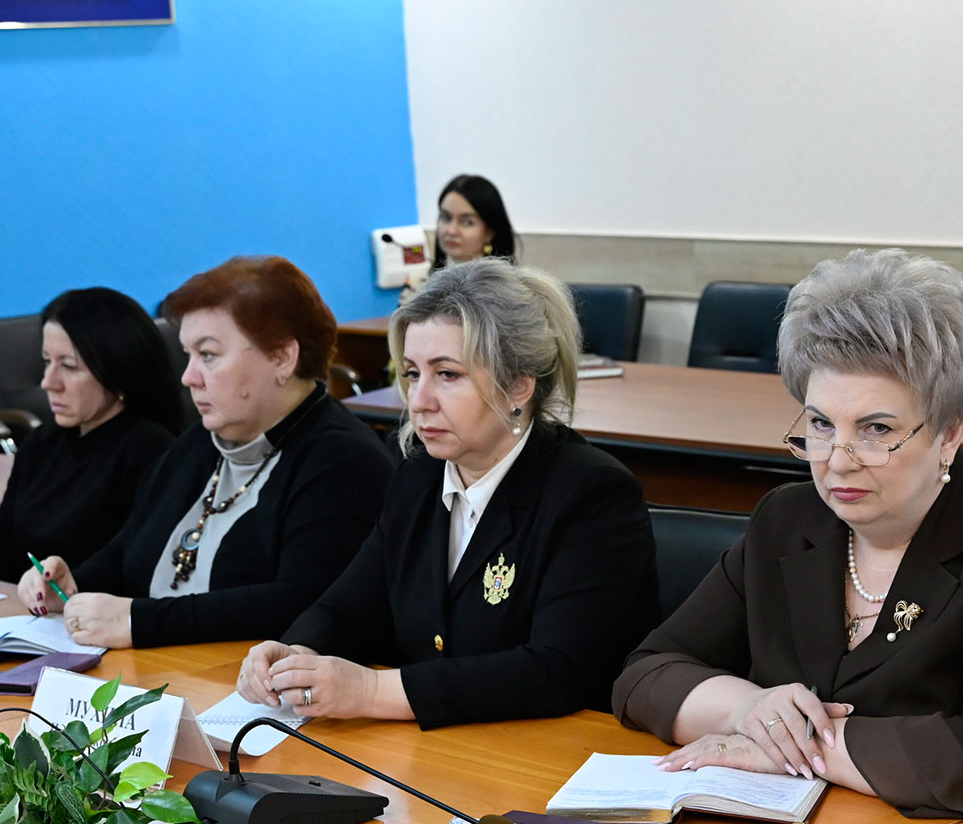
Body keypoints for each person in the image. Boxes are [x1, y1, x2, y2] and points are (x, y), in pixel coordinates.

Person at [613, 249, 963, 823]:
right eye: (821, 424)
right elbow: (645, 673)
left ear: (949, 436)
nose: (837, 461)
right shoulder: (787, 519)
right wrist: (750, 710)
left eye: (875, 429)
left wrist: (799, 746)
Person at [233, 259, 657, 727]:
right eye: (413, 373)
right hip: (434, 746)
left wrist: (371, 691)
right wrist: (296, 652)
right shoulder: (419, 471)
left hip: (545, 750)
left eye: (448, 374)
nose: (418, 401)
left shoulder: (594, 494)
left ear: (518, 385)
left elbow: (556, 670)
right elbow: (351, 604)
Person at [16, 256, 394, 649]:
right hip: (162, 666)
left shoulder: (344, 460)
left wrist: (138, 621)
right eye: (188, 355)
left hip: (247, 678)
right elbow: (130, 546)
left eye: (208, 355)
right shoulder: (201, 439)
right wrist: (74, 583)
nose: (188, 377)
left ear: (282, 357)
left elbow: (301, 602)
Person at [0, 288, 183, 581]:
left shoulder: (150, 451)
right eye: (47, 362)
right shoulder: (41, 443)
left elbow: (137, 572)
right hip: (22, 606)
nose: (48, 382)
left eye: (69, 366)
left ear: (118, 370)